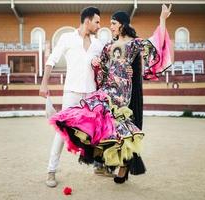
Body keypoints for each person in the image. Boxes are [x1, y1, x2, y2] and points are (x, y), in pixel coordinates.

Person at [49, 4, 172, 184]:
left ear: (122, 24)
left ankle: (121, 166)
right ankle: (96, 157)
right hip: (107, 90)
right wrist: (96, 63)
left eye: (113, 23)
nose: (110, 27)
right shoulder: (108, 46)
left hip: (123, 94)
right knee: (93, 117)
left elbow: (157, 42)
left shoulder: (134, 44)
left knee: (119, 129)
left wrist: (162, 19)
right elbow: (101, 68)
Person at [39, 6, 104, 187]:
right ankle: (51, 171)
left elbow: (106, 67)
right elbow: (52, 59)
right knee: (61, 132)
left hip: (91, 95)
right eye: (97, 22)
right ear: (87, 21)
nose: (99, 26)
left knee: (97, 131)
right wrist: (44, 83)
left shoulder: (98, 44)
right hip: (71, 94)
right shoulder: (67, 38)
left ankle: (99, 165)